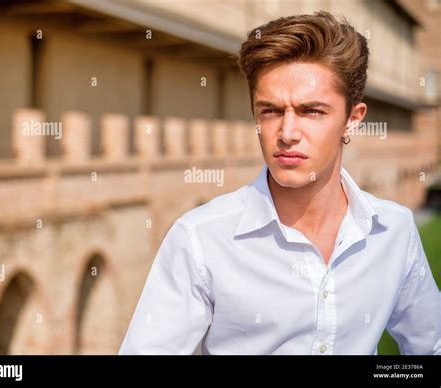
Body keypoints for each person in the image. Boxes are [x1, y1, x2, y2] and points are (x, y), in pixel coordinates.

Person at [119, 11, 440, 355]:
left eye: (311, 111)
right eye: (270, 111)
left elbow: (430, 346)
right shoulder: (201, 238)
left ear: (352, 119)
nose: (286, 134)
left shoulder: (394, 231)